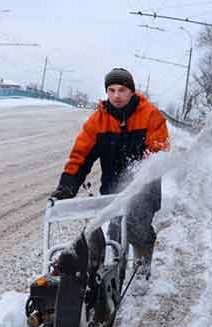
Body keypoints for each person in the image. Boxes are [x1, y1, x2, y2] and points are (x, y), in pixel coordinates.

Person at [51, 67, 169, 281]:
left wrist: (143, 176)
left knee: (136, 229)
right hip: (113, 190)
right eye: (111, 90)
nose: (116, 95)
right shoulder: (98, 121)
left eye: (122, 89)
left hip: (145, 188)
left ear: (132, 91)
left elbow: (158, 152)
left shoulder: (150, 115)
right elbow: (81, 155)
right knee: (114, 234)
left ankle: (143, 264)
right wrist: (67, 185)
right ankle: (114, 280)